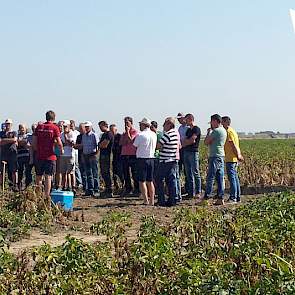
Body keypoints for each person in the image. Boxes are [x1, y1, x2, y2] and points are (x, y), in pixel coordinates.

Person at [33, 111, 63, 203]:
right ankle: (46, 197)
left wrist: (37, 150)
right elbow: (59, 142)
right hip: (50, 156)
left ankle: (37, 197)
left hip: (39, 156)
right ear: (54, 118)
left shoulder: (39, 127)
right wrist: (61, 150)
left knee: (38, 177)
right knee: (48, 177)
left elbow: (34, 142)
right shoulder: (54, 128)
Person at [203, 114, 227, 205]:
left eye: (211, 122)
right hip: (221, 155)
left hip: (214, 156)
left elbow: (206, 142)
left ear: (215, 121)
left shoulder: (216, 131)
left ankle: (206, 198)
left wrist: (209, 133)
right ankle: (220, 198)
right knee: (220, 177)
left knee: (210, 177)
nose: (211, 124)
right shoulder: (223, 130)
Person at [156, 117, 179, 206]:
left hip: (166, 160)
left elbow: (158, 146)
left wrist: (161, 146)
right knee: (171, 180)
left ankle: (161, 200)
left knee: (159, 179)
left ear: (169, 124)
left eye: (165, 124)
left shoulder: (168, 134)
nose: (163, 126)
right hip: (172, 159)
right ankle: (172, 200)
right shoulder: (176, 133)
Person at [133, 118, 157, 205]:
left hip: (142, 159)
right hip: (151, 158)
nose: (139, 126)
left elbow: (135, 145)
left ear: (144, 125)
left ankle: (145, 200)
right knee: (150, 181)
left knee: (142, 181)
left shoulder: (140, 135)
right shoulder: (154, 134)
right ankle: (152, 201)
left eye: (141, 124)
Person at [222, 116, 243, 203]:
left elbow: (232, 144)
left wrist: (237, 155)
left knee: (232, 178)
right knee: (235, 177)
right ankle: (237, 197)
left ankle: (233, 197)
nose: (221, 124)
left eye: (222, 122)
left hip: (231, 158)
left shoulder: (228, 132)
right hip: (233, 158)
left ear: (225, 122)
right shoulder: (233, 131)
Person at [182, 114, 202, 198]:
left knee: (195, 172)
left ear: (190, 119)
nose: (185, 121)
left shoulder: (196, 129)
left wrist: (187, 141)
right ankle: (191, 192)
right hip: (186, 152)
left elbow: (192, 140)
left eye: (186, 119)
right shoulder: (188, 130)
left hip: (193, 152)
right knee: (188, 173)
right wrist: (187, 141)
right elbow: (185, 141)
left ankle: (198, 192)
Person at [119, 117, 139, 196]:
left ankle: (137, 189)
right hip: (124, 154)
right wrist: (126, 135)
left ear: (131, 123)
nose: (126, 124)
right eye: (125, 123)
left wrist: (127, 132)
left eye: (127, 123)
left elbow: (130, 140)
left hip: (132, 155)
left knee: (134, 173)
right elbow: (121, 143)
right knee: (126, 173)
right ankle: (128, 188)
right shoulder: (123, 133)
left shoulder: (135, 131)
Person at [81, 121, 100, 197]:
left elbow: (97, 145)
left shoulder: (94, 135)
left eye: (88, 126)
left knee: (94, 173)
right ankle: (90, 189)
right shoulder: (84, 136)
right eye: (85, 127)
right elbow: (83, 146)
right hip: (86, 155)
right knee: (88, 173)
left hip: (93, 155)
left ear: (91, 127)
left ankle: (96, 189)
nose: (86, 128)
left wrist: (96, 154)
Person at [0, 119, 18, 190]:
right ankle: (2, 186)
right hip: (3, 154)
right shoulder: (1, 133)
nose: (8, 125)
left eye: (9, 124)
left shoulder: (14, 132)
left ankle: (15, 185)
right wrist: (10, 140)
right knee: (1, 171)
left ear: (11, 125)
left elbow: (14, 140)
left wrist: (4, 140)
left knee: (14, 170)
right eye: (7, 124)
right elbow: (0, 142)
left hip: (12, 154)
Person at [98, 121, 114, 197]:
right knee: (103, 172)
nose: (100, 128)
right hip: (102, 155)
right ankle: (107, 188)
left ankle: (110, 189)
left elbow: (104, 145)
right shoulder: (103, 134)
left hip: (107, 155)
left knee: (106, 172)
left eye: (101, 126)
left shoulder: (109, 134)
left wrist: (99, 144)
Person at [60, 120, 76, 192]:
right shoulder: (61, 134)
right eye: (64, 126)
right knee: (63, 172)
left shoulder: (73, 133)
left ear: (69, 126)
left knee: (70, 172)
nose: (64, 128)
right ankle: (64, 186)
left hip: (70, 155)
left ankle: (72, 187)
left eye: (66, 126)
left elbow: (71, 143)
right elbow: (60, 143)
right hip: (63, 155)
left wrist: (66, 137)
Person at [17, 124, 32, 190]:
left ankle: (27, 186)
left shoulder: (28, 135)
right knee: (20, 171)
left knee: (27, 172)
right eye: (20, 128)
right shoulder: (17, 136)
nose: (22, 129)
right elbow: (17, 143)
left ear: (26, 128)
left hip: (27, 156)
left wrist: (22, 142)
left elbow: (29, 144)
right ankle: (19, 186)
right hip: (19, 156)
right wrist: (23, 142)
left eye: (23, 128)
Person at [177, 112, 189, 194]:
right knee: (179, 169)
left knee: (187, 170)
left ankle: (188, 187)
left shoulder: (188, 127)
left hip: (186, 149)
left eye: (180, 118)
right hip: (180, 150)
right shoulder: (180, 128)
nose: (179, 120)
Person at [110, 124, 124, 191]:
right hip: (114, 157)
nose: (112, 132)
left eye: (113, 130)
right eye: (111, 131)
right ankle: (116, 186)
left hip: (120, 157)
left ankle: (123, 185)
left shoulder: (119, 136)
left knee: (120, 173)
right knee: (114, 173)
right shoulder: (110, 137)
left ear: (116, 130)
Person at [74, 123, 87, 193]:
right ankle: (84, 187)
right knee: (82, 172)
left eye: (82, 128)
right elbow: (76, 146)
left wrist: (81, 145)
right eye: (80, 128)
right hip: (80, 156)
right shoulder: (79, 137)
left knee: (87, 173)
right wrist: (81, 145)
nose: (81, 130)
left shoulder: (87, 136)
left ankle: (88, 187)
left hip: (86, 156)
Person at [70, 120, 82, 189]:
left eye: (72, 126)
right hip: (70, 153)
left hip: (76, 152)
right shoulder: (67, 133)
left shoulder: (77, 133)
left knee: (76, 167)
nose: (71, 127)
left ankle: (79, 182)